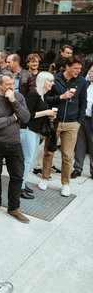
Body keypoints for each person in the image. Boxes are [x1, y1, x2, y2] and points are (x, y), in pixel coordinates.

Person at [0, 70, 30, 223]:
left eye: (12, 83)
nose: (11, 86)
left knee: (17, 175)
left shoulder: (19, 97)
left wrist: (14, 101)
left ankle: (13, 207)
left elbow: (26, 118)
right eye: (7, 84)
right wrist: (12, 118)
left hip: (14, 143)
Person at [40, 55, 87, 196]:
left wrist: (80, 121)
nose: (78, 71)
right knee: (49, 151)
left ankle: (65, 184)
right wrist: (60, 97)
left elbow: (83, 102)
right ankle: (44, 178)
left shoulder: (81, 81)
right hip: (55, 121)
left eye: (80, 68)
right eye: (76, 68)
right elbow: (46, 98)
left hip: (72, 123)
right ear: (67, 67)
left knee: (67, 155)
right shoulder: (55, 78)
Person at [19, 72, 57, 199]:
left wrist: (48, 114)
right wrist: (46, 112)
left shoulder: (43, 95)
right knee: (27, 160)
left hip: (35, 130)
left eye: (52, 81)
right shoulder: (33, 94)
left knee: (31, 159)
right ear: (42, 81)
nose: (52, 83)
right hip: (27, 129)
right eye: (50, 81)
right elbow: (27, 115)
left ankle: (22, 183)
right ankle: (20, 187)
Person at [72, 65, 93, 179]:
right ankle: (77, 169)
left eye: (92, 71)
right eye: (89, 70)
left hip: (92, 120)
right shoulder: (87, 84)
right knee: (80, 144)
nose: (89, 73)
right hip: (82, 118)